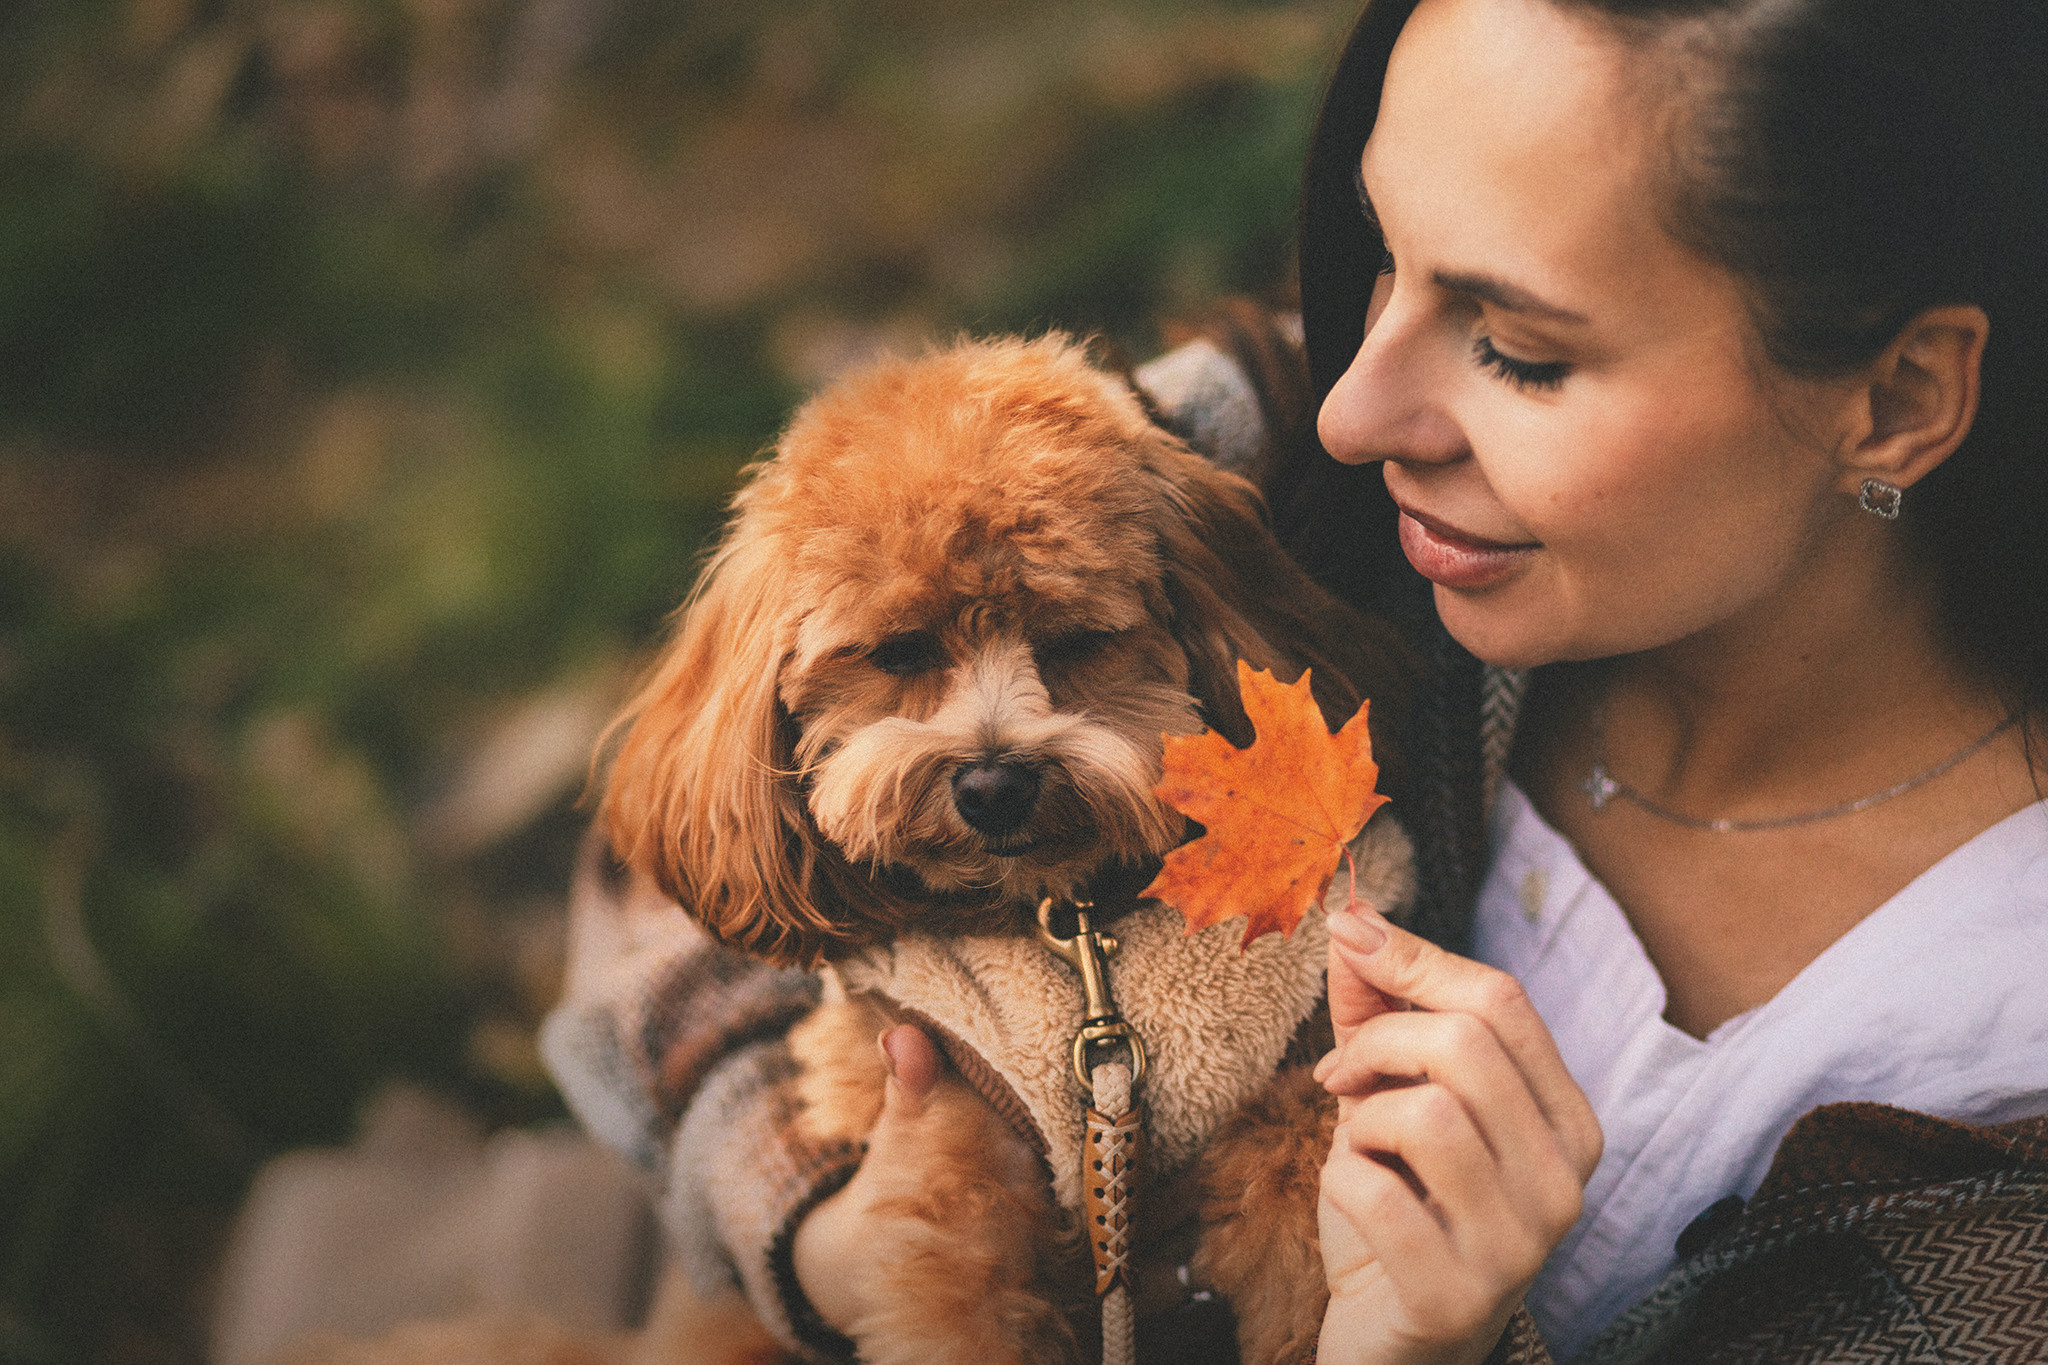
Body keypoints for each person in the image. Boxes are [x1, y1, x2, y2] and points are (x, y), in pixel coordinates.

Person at [543, 0, 2048, 1360]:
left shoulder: (1998, 1133)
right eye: (1381, 257)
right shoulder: (1260, 464)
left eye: (1518, 349)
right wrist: (820, 1232)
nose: (1351, 408)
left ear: (1898, 397)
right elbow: (656, 865)